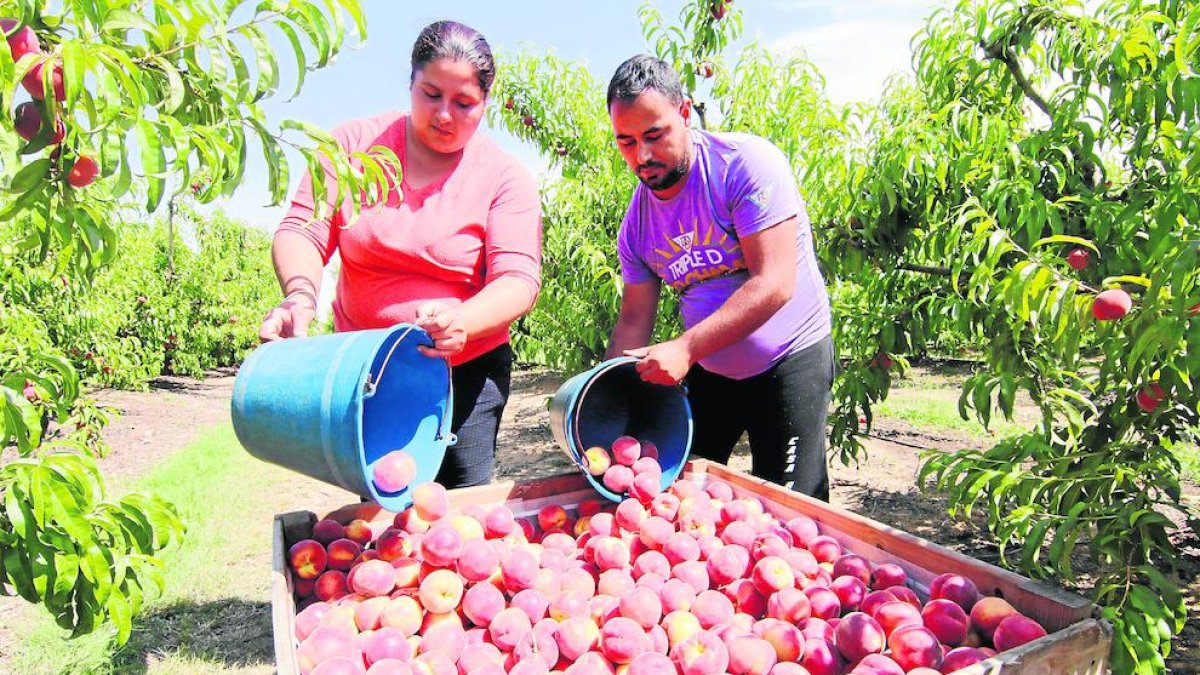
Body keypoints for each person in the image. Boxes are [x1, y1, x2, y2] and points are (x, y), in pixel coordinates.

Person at [259, 21, 542, 490]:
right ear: (410, 82)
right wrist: (300, 296)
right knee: (377, 507)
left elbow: (518, 279)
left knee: (455, 515)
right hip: (365, 371)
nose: (445, 115)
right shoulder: (354, 146)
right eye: (431, 94)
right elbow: (302, 229)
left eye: (465, 103)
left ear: (485, 104)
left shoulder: (503, 177)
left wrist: (463, 320)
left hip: (463, 375)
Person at [604, 55, 834, 500]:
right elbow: (633, 321)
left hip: (790, 358)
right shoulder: (637, 226)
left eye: (654, 135)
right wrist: (610, 394)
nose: (643, 156)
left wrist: (687, 346)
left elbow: (775, 281)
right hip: (711, 368)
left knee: (793, 507)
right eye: (626, 142)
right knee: (682, 498)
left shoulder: (744, 165)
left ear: (685, 113)